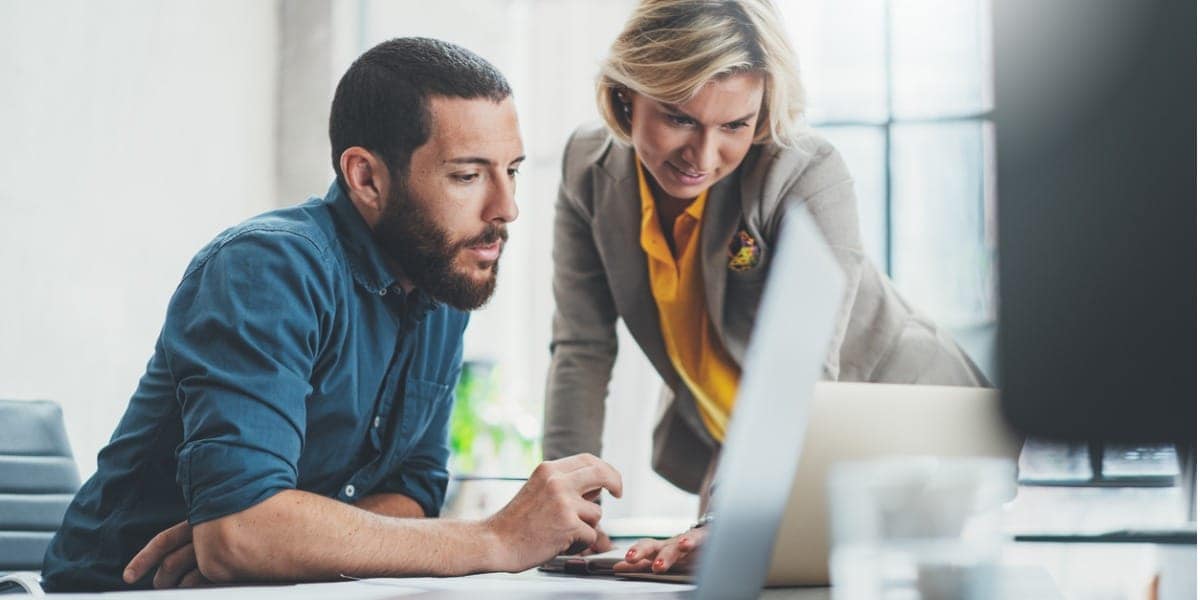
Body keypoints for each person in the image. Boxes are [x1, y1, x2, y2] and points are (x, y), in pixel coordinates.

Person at [40, 37, 621, 592]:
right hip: (121, 593)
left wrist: (283, 539)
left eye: (512, 170)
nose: (507, 207)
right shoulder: (267, 268)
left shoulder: (441, 279)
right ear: (366, 177)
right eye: (468, 176)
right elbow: (239, 537)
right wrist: (494, 539)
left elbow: (412, 492)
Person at [541, 0, 986, 574]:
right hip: (746, 451)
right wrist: (568, 514)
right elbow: (581, 349)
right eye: (679, 118)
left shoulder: (804, 172)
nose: (703, 156)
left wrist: (725, 521)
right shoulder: (586, 167)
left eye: (734, 125)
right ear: (626, 96)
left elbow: (795, 375)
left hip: (903, 435)